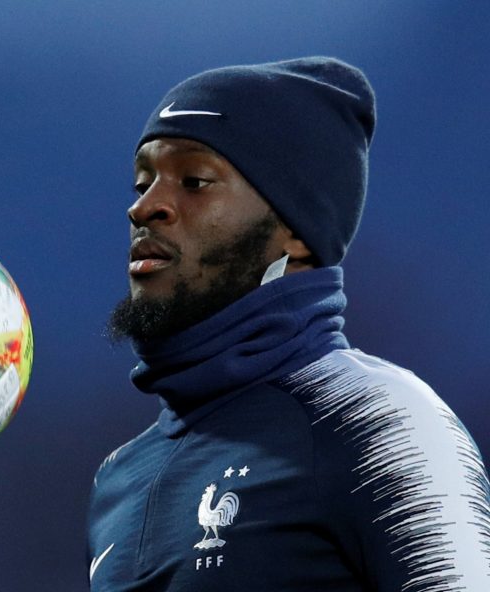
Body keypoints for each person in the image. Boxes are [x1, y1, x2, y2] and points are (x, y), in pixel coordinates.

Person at [87, 57, 490, 591]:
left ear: (295, 232)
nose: (145, 207)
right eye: (143, 182)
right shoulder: (119, 476)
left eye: (194, 180)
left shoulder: (379, 421)